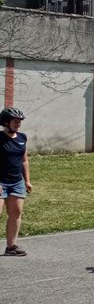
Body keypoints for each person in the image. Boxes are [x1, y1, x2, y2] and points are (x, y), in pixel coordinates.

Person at [1, 107, 31, 257]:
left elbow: (24, 161)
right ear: (6, 122)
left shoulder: (22, 137)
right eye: (15, 121)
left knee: (16, 213)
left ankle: (11, 247)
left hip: (17, 181)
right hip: (1, 182)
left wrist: (27, 181)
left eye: (20, 122)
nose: (18, 124)